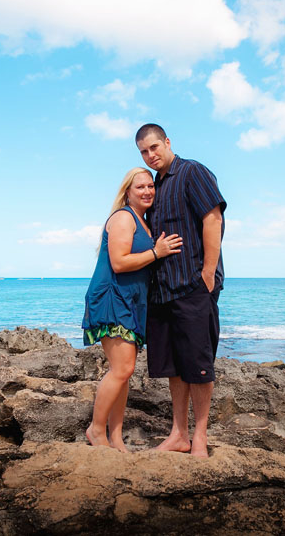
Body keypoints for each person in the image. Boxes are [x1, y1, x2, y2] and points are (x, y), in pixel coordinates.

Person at [135, 124, 226, 458]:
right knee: (174, 366)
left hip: (192, 287)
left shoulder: (192, 172)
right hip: (163, 290)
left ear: (167, 142)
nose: (150, 155)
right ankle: (179, 434)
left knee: (199, 366)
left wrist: (207, 273)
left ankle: (200, 437)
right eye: (144, 152)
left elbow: (212, 219)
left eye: (154, 147)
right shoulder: (155, 186)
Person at [83, 167, 183, 452]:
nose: (147, 191)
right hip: (113, 299)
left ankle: (115, 437)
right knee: (122, 369)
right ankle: (96, 430)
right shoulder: (124, 218)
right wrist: (156, 252)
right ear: (128, 191)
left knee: (123, 373)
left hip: (132, 302)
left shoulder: (143, 220)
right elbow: (119, 263)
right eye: (140, 187)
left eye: (151, 186)